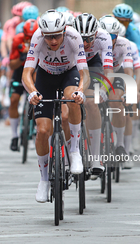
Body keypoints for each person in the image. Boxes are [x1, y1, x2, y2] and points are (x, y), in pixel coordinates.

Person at [22, 10, 89, 203]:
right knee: (43, 130)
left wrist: (81, 90)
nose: (53, 41)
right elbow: (27, 73)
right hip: (45, 76)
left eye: (57, 35)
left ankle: (74, 151)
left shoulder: (74, 37)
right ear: (42, 34)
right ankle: (43, 180)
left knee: (72, 98)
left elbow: (84, 73)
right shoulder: (37, 38)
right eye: (49, 36)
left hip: (69, 74)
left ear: (64, 30)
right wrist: (32, 91)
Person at [73, 13, 114, 178]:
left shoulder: (104, 38)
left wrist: (103, 90)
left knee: (91, 102)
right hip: (72, 64)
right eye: (81, 39)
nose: (85, 43)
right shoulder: (68, 36)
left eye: (89, 39)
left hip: (92, 65)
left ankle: (96, 157)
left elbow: (109, 71)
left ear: (96, 34)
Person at [99, 15, 134, 168]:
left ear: (117, 36)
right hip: (97, 74)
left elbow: (128, 70)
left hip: (116, 73)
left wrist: (129, 91)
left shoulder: (124, 44)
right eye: (105, 36)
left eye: (112, 36)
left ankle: (120, 144)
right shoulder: (93, 43)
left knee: (116, 101)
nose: (108, 40)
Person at [8, 19, 38, 151]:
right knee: (14, 99)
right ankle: (14, 136)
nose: (31, 39)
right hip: (20, 70)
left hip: (36, 71)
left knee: (38, 100)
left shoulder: (43, 40)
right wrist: (22, 56)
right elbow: (11, 65)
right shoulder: (17, 40)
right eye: (28, 37)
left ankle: (34, 131)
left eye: (33, 36)